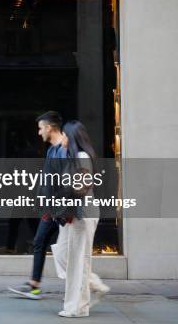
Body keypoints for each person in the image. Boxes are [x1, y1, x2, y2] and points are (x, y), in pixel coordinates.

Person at [8, 111, 66, 299]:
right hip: (51, 209)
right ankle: (34, 285)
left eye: (40, 128)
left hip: (65, 210)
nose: (38, 132)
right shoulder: (50, 150)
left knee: (68, 252)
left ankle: (89, 284)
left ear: (49, 128)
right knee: (39, 241)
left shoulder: (66, 150)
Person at [56, 120, 109, 318]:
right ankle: (75, 305)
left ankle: (78, 307)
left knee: (79, 261)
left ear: (71, 137)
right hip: (76, 214)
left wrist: (59, 192)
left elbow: (81, 187)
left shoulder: (82, 157)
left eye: (63, 134)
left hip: (82, 214)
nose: (61, 138)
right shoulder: (74, 157)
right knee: (72, 260)